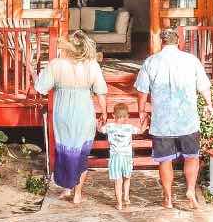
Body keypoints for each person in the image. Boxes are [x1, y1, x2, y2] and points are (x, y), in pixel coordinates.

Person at [134, 27, 213, 210]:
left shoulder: (151, 62)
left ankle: (168, 197)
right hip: (187, 120)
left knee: (165, 160)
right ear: (178, 41)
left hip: (163, 121)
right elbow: (203, 86)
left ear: (162, 42)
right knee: (192, 157)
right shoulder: (191, 60)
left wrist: (141, 112)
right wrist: (209, 104)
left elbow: (142, 91)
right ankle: (191, 191)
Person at [34, 30, 107, 204]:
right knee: (81, 152)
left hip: (63, 112)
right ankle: (77, 193)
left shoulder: (56, 64)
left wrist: (34, 74)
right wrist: (104, 112)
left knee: (66, 150)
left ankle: (67, 187)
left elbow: (41, 88)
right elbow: (101, 92)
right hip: (84, 112)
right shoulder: (92, 65)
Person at [100, 102, 142, 211]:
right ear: (128, 116)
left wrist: (99, 122)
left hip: (115, 157)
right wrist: (146, 121)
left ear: (113, 115)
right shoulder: (129, 127)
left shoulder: (109, 126)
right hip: (127, 157)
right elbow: (141, 130)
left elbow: (100, 129)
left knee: (117, 181)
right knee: (127, 177)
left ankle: (119, 204)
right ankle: (126, 197)